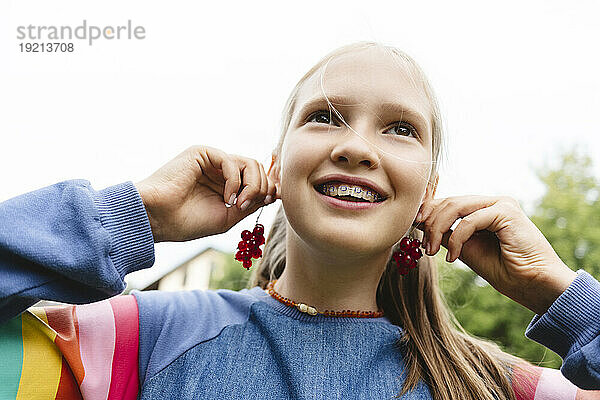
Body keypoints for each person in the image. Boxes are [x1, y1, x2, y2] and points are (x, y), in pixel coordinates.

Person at [1, 41, 599, 400]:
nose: (357, 147)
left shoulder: (494, 387)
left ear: (429, 191)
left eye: (400, 129)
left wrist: (564, 297)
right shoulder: (131, 341)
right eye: (326, 116)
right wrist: (133, 215)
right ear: (279, 163)